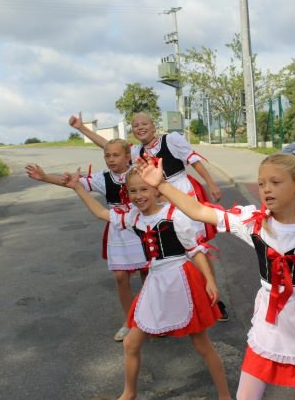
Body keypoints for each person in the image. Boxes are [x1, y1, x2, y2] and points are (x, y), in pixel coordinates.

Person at [136, 152, 295, 400]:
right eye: (261, 183)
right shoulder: (253, 223)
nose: (266, 189)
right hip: (268, 320)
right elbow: (200, 211)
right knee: (245, 398)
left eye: (275, 182)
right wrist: (162, 185)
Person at [62, 167, 234, 400]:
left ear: (156, 190)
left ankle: (225, 398)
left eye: (144, 189)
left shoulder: (175, 214)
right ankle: (129, 394)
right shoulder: (134, 217)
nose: (138, 195)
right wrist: (78, 187)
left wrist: (210, 280)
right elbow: (101, 212)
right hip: (155, 280)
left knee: (201, 344)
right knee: (131, 343)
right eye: (132, 190)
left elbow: (195, 250)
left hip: (181, 279)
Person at [71, 112, 231, 321]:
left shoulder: (171, 140)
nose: (140, 127)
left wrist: (210, 183)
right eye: (136, 125)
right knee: (170, 252)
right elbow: (109, 146)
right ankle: (176, 304)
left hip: (181, 193)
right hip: (157, 198)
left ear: (154, 126)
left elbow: (194, 160)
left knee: (195, 246)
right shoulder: (137, 151)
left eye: (144, 123)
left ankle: (213, 298)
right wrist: (82, 129)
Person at [25, 139, 147, 342]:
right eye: (107, 155)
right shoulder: (103, 178)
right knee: (120, 277)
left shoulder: (140, 172)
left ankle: (152, 318)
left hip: (142, 226)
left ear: (128, 156)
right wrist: (45, 177)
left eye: (116, 155)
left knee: (147, 274)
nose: (111, 159)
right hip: (118, 228)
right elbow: (74, 184)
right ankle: (129, 321)